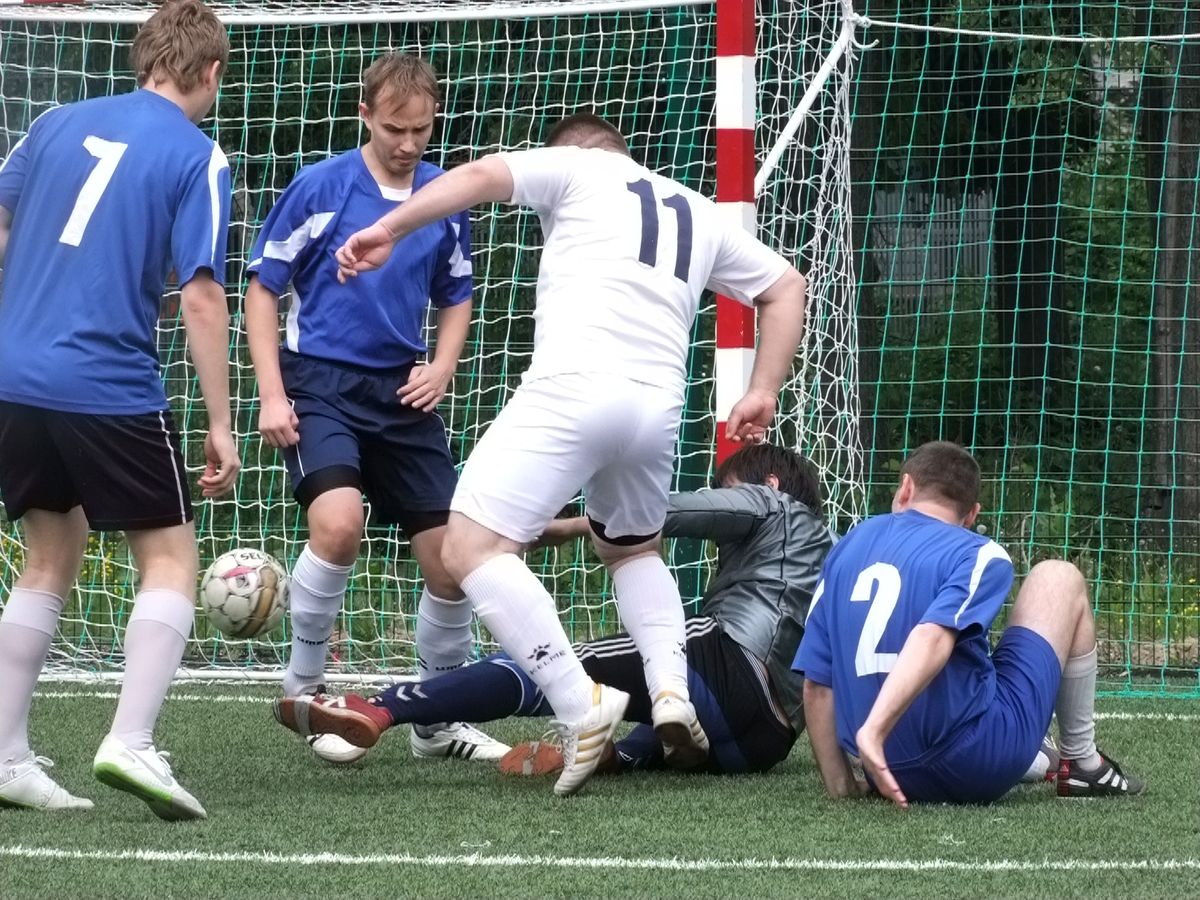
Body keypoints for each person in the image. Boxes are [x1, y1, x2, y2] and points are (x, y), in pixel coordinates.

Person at [335, 113, 807, 795]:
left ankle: (575, 701)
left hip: (577, 386)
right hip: (657, 406)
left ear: (575, 153)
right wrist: (763, 387)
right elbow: (785, 284)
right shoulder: (695, 209)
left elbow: (475, 178)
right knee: (634, 550)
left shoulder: (577, 166)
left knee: (469, 547)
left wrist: (389, 227)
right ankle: (670, 690)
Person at [0, 0, 238, 819]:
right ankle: (131, 741)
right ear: (211, 73)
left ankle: (5, 755)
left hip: (15, 376)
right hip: (106, 385)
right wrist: (221, 422)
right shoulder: (198, 155)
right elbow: (203, 297)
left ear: (143, 59)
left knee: (47, 553)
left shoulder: (55, 121)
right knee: (171, 558)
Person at [245, 53, 508, 766]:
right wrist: (272, 392)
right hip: (321, 383)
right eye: (394, 127)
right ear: (365, 115)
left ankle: (435, 719)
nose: (408, 142)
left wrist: (444, 365)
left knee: (453, 562)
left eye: (421, 129)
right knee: (337, 524)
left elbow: (457, 294)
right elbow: (262, 289)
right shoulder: (320, 188)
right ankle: (306, 686)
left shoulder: (445, 197)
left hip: (403, 392)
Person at [273, 443, 832, 776]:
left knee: (559, 664)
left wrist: (555, 528)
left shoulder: (773, 503)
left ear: (771, 483)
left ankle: (379, 708)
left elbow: (660, 511)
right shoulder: (827, 558)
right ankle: (623, 758)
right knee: (662, 704)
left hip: (730, 662)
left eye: (725, 487)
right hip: (766, 742)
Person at [794, 441, 1143, 807]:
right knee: (1058, 577)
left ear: (906, 487)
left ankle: (1036, 755)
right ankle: (1083, 762)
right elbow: (931, 637)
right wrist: (874, 732)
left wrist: (840, 783)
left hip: (886, 769)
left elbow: (816, 685)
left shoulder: (847, 547)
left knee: (974, 665)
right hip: (972, 762)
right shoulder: (977, 552)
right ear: (972, 513)